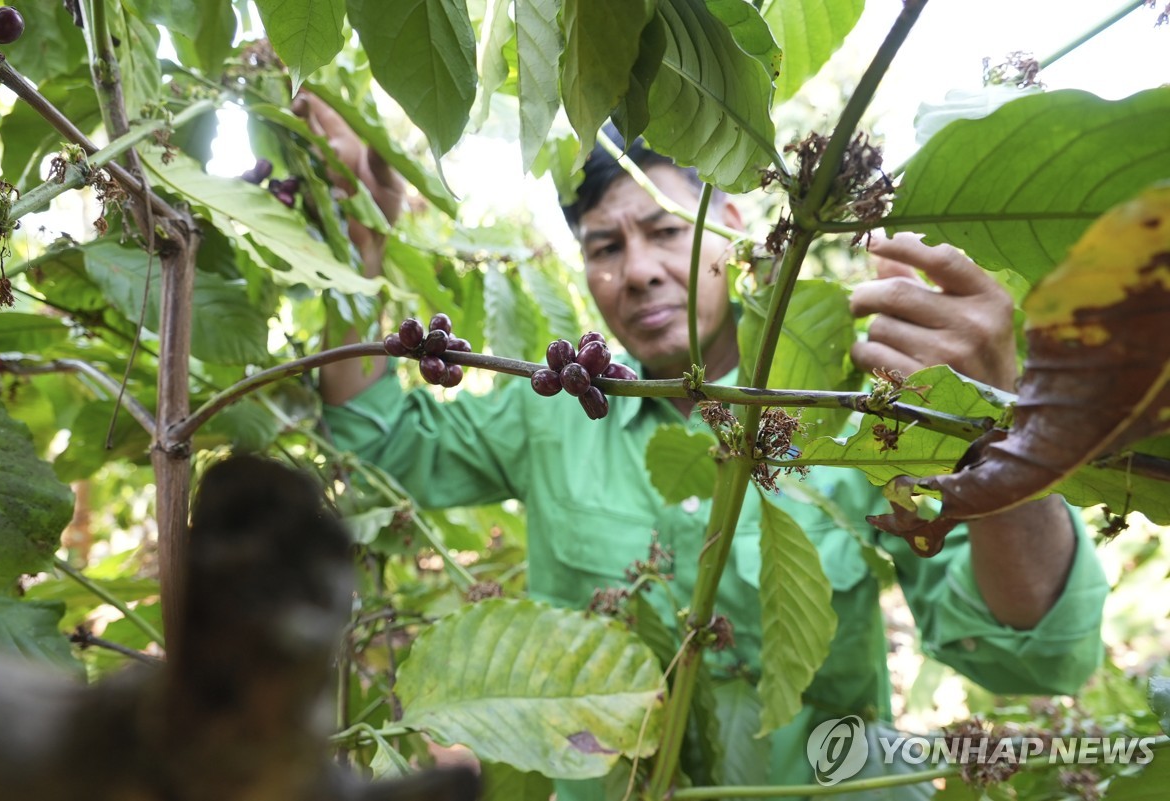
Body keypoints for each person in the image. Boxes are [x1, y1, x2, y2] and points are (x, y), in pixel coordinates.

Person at [296, 94, 1109, 798]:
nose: (642, 270)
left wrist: (995, 434)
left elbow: (1036, 659)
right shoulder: (550, 415)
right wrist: (355, 254)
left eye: (663, 229)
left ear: (731, 225)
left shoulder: (862, 404)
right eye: (606, 247)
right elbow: (384, 440)